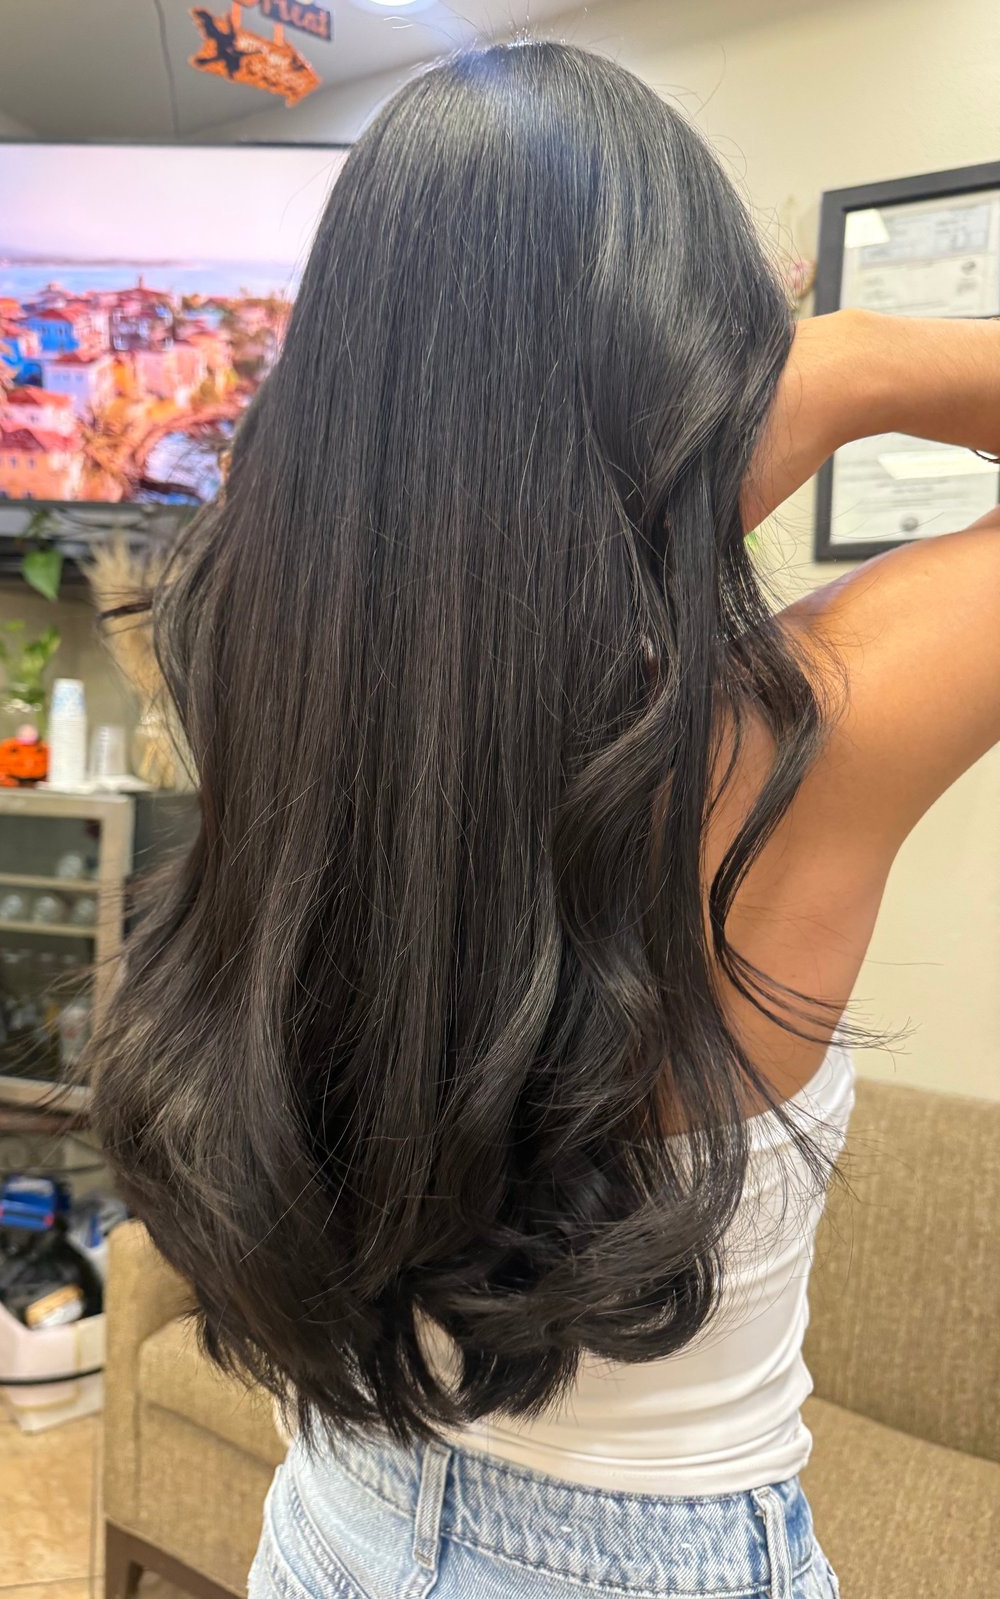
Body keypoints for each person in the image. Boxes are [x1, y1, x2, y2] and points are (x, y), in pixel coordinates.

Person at [88, 40, 1000, 1599]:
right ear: (705, 369)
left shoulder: (278, 697)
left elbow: (455, 579)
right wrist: (851, 361)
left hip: (334, 1513)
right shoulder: (804, 740)